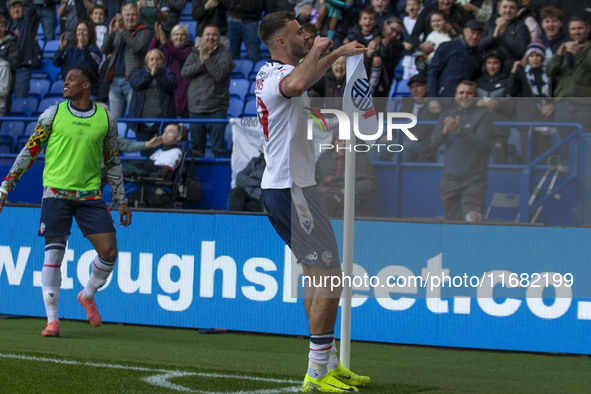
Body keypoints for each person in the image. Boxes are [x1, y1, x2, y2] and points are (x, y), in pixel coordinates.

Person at [255, 10, 370, 393]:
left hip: (298, 186)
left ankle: (329, 364)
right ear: (282, 44)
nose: (307, 35)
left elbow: (305, 78)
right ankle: (316, 373)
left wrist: (334, 55)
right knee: (330, 276)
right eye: (298, 32)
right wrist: (320, 50)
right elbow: (300, 79)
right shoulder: (276, 77)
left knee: (317, 274)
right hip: (290, 189)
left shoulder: (279, 75)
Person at [0, 67, 132, 337]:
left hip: (90, 196)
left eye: (71, 79)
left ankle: (88, 294)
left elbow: (113, 160)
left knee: (109, 251)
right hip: (56, 194)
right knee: (54, 253)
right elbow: (30, 151)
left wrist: (121, 199)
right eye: (65, 79)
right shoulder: (53, 113)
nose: (65, 83)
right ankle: (52, 320)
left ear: (86, 84)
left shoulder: (106, 119)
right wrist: (6, 186)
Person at [430, 80, 494, 222]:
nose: (465, 96)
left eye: (469, 93)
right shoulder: (447, 115)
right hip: (449, 180)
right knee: (451, 223)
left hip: (474, 179)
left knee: (473, 218)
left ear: (475, 96)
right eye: (461, 92)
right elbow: (433, 143)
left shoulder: (484, 115)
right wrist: (445, 131)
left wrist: (459, 131)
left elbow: (482, 143)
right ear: (455, 96)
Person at [181, 25, 234, 158]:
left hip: (216, 110)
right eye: (207, 34)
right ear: (202, 37)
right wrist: (202, 61)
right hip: (195, 110)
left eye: (214, 35)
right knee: (195, 151)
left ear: (219, 38)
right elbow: (185, 73)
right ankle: (195, 179)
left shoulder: (225, 55)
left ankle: (220, 178)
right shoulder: (194, 53)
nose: (210, 38)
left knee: (219, 150)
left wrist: (206, 58)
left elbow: (219, 74)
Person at [101, 2, 152, 119]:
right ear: (123, 17)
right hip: (114, 80)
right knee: (114, 120)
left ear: (138, 17)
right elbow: (104, 49)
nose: (130, 18)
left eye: (133, 15)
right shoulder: (118, 31)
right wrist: (111, 34)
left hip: (133, 80)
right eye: (127, 15)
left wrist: (123, 30)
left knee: (135, 117)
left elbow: (137, 47)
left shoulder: (145, 31)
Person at [508, 40, 554, 162]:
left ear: (543, 57)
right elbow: (511, 91)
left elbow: (555, 95)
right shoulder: (522, 74)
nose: (535, 59)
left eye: (538, 55)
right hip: (526, 120)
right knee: (527, 154)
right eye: (531, 56)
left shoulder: (549, 75)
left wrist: (552, 106)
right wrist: (513, 72)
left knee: (543, 154)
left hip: (543, 120)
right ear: (527, 58)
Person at [128, 48, 178, 155]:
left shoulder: (169, 75)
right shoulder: (138, 73)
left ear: (162, 61)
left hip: (162, 124)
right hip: (141, 125)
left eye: (158, 59)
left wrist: (158, 75)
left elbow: (170, 85)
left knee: (162, 155)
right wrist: (150, 75)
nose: (154, 62)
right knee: (145, 155)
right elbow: (135, 84)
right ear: (147, 62)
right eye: (151, 59)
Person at [546, 15, 591, 134]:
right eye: (573, 29)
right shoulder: (564, 48)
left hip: (585, 106)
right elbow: (549, 72)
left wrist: (579, 54)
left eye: (580, 28)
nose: (576, 32)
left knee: (585, 147)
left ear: (588, 29)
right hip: (563, 105)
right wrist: (559, 56)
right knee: (563, 147)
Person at [315, 133, 378, 218]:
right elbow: (314, 181)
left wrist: (352, 188)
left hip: (347, 200)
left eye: (346, 140)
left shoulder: (361, 159)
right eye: (339, 140)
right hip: (322, 194)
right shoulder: (324, 158)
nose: (343, 144)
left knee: (325, 201)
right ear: (334, 142)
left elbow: (371, 185)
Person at [427, 19, 483, 109]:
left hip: (465, 102)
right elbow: (432, 72)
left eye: (479, 34)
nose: (475, 36)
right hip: (443, 99)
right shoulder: (447, 47)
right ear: (465, 31)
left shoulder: (479, 54)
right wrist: (433, 98)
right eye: (472, 32)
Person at [148, 22, 193, 118]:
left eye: (182, 35)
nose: (179, 37)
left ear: (187, 37)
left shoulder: (189, 49)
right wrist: (156, 38)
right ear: (172, 36)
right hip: (164, 82)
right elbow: (151, 52)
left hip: (180, 85)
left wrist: (165, 43)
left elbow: (181, 55)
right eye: (176, 34)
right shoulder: (165, 47)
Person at [478, 0, 531, 72]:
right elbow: (479, 46)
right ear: (499, 9)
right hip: (488, 70)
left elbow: (521, 50)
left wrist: (505, 32)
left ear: (517, 11)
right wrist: (493, 36)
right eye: (505, 7)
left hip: (510, 70)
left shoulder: (521, 27)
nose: (508, 10)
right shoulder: (489, 25)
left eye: (512, 8)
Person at [7, 0, 39, 99]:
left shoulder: (27, 23)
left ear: (23, 8)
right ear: (9, 10)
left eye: (19, 7)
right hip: (7, 70)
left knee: (18, 103)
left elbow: (30, 9)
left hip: (22, 69)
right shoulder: (6, 26)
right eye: (13, 7)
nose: (16, 10)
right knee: (4, 104)